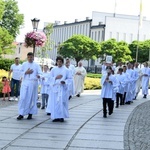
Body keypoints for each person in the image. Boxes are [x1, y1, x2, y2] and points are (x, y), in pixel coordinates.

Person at [17, 52, 42, 120]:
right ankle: (21, 113)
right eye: (28, 57)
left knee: (31, 98)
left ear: (33, 57)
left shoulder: (36, 65)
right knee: (23, 98)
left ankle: (30, 113)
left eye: (31, 57)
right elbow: (20, 73)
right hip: (25, 82)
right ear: (27, 57)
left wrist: (39, 76)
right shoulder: (24, 64)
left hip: (33, 83)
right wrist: (26, 72)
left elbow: (40, 73)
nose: (30, 58)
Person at [48, 56, 72, 122]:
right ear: (56, 62)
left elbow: (70, 79)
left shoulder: (66, 70)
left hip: (62, 88)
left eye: (60, 62)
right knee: (55, 103)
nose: (59, 63)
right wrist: (56, 78)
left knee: (62, 102)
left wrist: (65, 82)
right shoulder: (53, 70)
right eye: (58, 62)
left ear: (62, 62)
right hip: (55, 88)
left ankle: (61, 116)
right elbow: (49, 78)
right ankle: (55, 116)